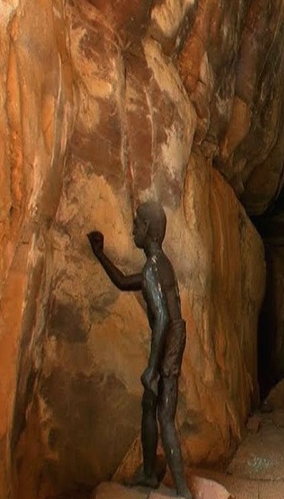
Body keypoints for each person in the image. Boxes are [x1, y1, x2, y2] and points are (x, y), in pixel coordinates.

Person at [87, 201, 192, 499]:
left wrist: (150, 367)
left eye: (136, 224)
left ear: (148, 231)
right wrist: (100, 254)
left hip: (167, 339)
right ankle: (148, 474)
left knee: (164, 414)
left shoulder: (151, 269)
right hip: (175, 336)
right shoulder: (161, 264)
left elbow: (160, 320)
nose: (132, 229)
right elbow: (123, 282)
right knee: (150, 405)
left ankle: (182, 490)